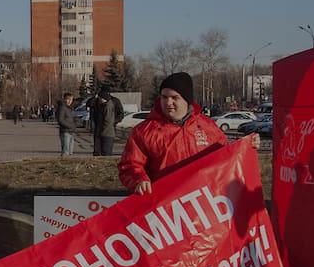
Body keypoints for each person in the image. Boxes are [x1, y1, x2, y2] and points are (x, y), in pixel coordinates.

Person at [119, 72, 260, 195]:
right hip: (166, 207)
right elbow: (129, 166)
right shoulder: (144, 131)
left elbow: (226, 158)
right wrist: (138, 180)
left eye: (174, 97)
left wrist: (246, 146)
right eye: (164, 97)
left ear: (186, 99)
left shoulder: (208, 127)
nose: (168, 102)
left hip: (203, 204)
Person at [89, 86, 124, 157]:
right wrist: (94, 97)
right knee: (97, 151)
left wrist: (113, 121)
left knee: (106, 150)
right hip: (98, 127)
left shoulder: (114, 101)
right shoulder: (97, 100)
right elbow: (89, 104)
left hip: (109, 128)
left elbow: (120, 114)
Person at [56, 93, 78, 157]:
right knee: (66, 151)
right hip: (65, 131)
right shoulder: (62, 107)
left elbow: (71, 118)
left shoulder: (69, 108)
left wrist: (76, 123)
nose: (69, 101)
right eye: (68, 99)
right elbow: (60, 120)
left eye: (71, 100)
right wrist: (70, 126)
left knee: (70, 151)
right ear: (64, 99)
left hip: (71, 131)